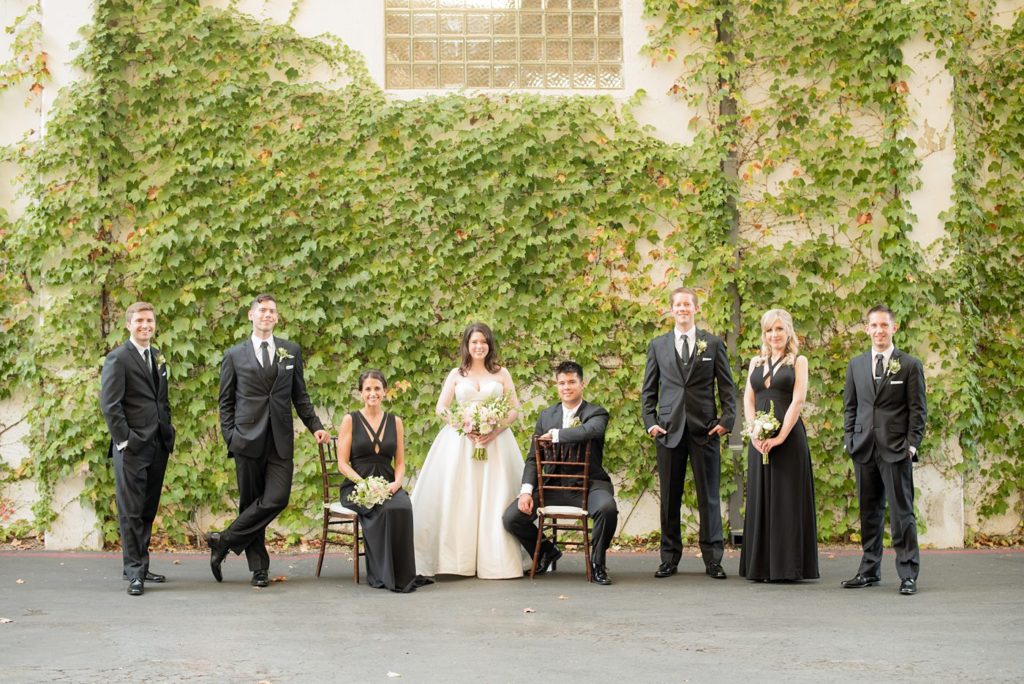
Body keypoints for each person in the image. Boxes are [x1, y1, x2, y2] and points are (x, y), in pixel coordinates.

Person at [207, 294, 330, 587]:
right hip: (246, 440)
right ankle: (259, 569)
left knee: (276, 498)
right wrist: (230, 437)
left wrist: (315, 426)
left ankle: (223, 541)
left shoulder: (291, 351)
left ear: (277, 317)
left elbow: (299, 395)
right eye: (262, 310)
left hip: (279, 439)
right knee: (251, 502)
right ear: (251, 316)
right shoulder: (234, 355)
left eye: (272, 311)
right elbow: (225, 402)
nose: (268, 315)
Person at [411, 322, 524, 579]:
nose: (479, 346)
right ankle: (456, 561)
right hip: (460, 444)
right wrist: (462, 426)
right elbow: (441, 407)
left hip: (495, 444)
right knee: (460, 495)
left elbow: (514, 409)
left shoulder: (501, 373)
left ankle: (495, 561)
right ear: (467, 345)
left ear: (489, 345)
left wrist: (494, 430)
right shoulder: (456, 374)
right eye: (474, 342)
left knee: (493, 496)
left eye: (483, 342)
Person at [641, 287, 736, 579]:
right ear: (671, 310)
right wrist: (650, 421)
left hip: (705, 430)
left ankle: (713, 559)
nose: (682, 309)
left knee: (709, 497)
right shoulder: (658, 345)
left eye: (687, 304)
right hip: (668, 431)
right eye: (678, 305)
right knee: (670, 497)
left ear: (696, 309)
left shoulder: (713, 343)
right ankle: (669, 558)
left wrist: (727, 420)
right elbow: (649, 390)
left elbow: (727, 388)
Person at [502, 361, 619, 585]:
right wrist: (526, 491)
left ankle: (598, 563)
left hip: (589, 484)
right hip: (553, 486)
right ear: (557, 385)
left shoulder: (596, 412)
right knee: (511, 518)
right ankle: (547, 551)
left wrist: (556, 435)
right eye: (562, 383)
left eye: (572, 382)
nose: (566, 387)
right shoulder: (547, 415)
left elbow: (590, 430)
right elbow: (532, 458)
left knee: (607, 509)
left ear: (582, 384)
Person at [842, 304, 927, 596]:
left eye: (884, 326)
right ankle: (869, 570)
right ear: (867, 329)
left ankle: (908, 574)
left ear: (894, 328)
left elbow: (918, 410)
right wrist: (849, 440)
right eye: (874, 326)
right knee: (869, 512)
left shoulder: (910, 365)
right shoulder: (856, 365)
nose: (879, 331)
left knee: (902, 514)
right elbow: (850, 406)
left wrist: (911, 445)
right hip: (864, 448)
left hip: (896, 450)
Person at [99, 301, 176, 596]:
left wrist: (166, 428)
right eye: (140, 321)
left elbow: (161, 400)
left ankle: (142, 566)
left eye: (150, 321)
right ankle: (133, 572)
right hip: (132, 447)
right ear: (128, 324)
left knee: (147, 509)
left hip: (158, 443)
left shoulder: (157, 356)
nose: (146, 326)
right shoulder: (118, 359)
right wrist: (125, 440)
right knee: (130, 511)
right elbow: (110, 404)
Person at [738, 309, 819, 582]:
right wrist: (753, 432)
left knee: (786, 499)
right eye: (770, 330)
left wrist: (781, 436)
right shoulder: (755, 362)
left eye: (779, 329)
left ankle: (787, 567)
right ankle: (760, 565)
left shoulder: (798, 361)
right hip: (759, 440)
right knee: (760, 496)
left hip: (788, 439)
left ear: (789, 332)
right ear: (765, 334)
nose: (775, 335)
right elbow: (748, 399)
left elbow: (798, 400)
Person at [336, 370, 432, 593]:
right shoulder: (350, 420)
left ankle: (402, 573)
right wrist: (364, 484)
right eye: (368, 389)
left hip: (388, 482)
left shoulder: (395, 421)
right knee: (382, 510)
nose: (373, 393)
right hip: (357, 485)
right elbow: (342, 463)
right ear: (361, 393)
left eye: (377, 388)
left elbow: (399, 462)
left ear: (384, 392)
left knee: (402, 506)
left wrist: (397, 483)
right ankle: (382, 574)